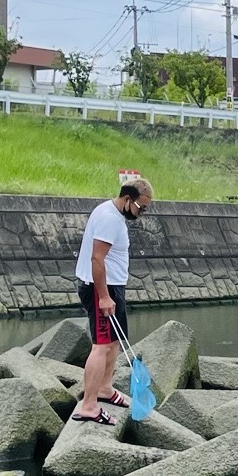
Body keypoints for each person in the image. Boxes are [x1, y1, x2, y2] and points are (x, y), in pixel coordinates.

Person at [71, 175, 152, 424]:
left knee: (115, 341)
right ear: (128, 199)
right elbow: (97, 259)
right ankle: (88, 405)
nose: (142, 213)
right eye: (141, 207)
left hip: (113, 288)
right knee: (102, 345)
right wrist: (104, 297)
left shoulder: (113, 214)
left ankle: (105, 389)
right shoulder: (109, 219)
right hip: (100, 290)